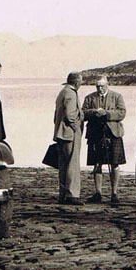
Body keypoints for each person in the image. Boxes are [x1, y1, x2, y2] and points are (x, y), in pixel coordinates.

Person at [83, 75, 127, 204]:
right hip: (95, 135)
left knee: (115, 164)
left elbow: (122, 113)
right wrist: (94, 112)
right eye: (97, 86)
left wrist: (107, 114)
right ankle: (98, 193)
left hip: (113, 134)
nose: (100, 88)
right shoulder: (89, 97)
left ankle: (114, 193)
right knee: (97, 164)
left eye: (102, 86)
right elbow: (83, 113)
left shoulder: (117, 96)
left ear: (107, 85)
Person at [53, 72, 84, 205]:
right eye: (80, 82)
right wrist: (76, 127)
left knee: (63, 165)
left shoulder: (62, 92)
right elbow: (70, 114)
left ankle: (63, 194)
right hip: (69, 133)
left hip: (61, 133)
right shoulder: (71, 93)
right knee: (72, 164)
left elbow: (56, 115)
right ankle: (72, 194)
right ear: (76, 82)